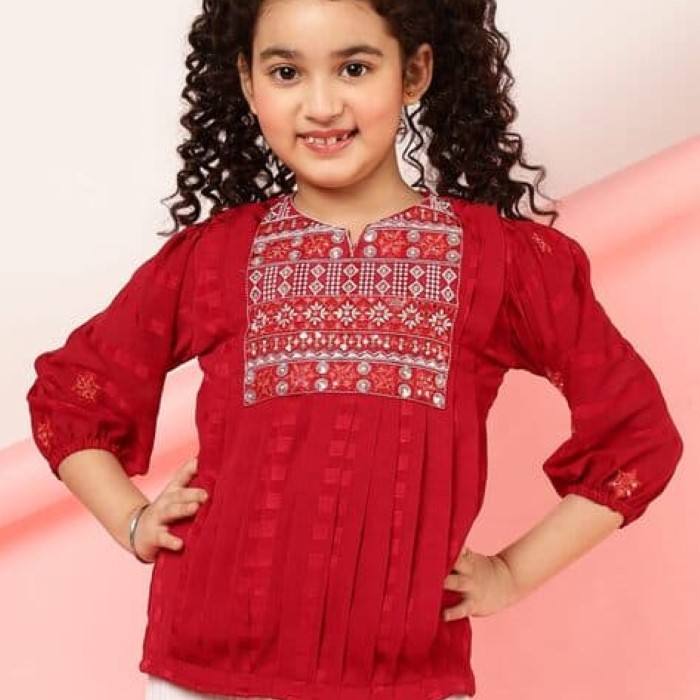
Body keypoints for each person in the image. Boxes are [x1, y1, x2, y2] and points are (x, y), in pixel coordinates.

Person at [26, 1, 684, 699]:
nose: (321, 105)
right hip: (203, 671)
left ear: (414, 72)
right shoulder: (214, 257)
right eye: (286, 72)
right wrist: (132, 520)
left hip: (405, 677)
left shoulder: (500, 262)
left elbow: (637, 436)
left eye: (355, 68)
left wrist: (512, 574)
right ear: (248, 81)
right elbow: (71, 394)